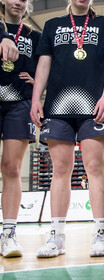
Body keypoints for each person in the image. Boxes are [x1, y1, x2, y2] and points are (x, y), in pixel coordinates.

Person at [30, 0, 104, 258]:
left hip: (95, 106)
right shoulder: (52, 25)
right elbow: (44, 65)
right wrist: (37, 99)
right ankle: (56, 237)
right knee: (60, 169)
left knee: (95, 167)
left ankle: (101, 233)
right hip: (57, 106)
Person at [0, 0, 39, 258]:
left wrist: (39, 81)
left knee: (11, 168)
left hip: (19, 104)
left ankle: (9, 234)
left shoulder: (35, 35)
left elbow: (48, 66)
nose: (18, 1)